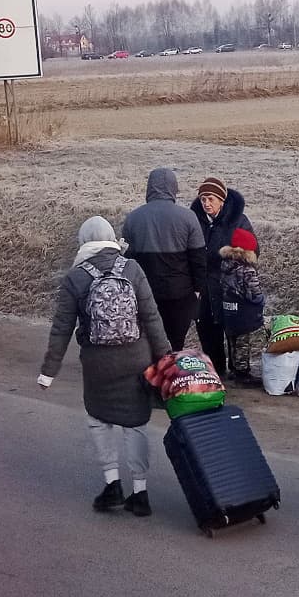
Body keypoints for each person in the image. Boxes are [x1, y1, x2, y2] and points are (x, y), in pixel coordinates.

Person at [39, 216, 172, 518]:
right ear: (112, 238)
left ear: (84, 241)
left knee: (98, 419)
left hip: (98, 364)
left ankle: (112, 484)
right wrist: (166, 360)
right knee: (136, 425)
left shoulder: (75, 277)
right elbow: (152, 319)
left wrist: (48, 371)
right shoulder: (133, 269)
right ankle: (140, 493)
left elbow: (61, 329)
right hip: (136, 359)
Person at [119, 168, 207, 352]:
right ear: (174, 188)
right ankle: (171, 376)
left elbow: (126, 260)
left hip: (145, 293)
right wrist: (198, 289)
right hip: (181, 294)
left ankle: (150, 376)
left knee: (148, 340)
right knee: (176, 342)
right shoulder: (188, 217)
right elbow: (198, 259)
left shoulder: (133, 218)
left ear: (149, 188)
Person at [190, 177, 255, 383]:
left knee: (234, 328)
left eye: (210, 199)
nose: (206, 204)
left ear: (222, 200)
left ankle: (239, 371)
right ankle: (215, 368)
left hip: (230, 284)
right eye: (203, 200)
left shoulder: (239, 220)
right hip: (203, 284)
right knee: (207, 326)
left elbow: (252, 250)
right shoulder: (194, 220)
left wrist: (229, 259)